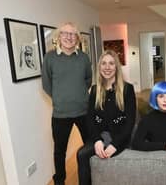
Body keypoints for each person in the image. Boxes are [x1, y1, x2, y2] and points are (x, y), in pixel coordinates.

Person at [42, 22, 92, 185]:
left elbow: (88, 80)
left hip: (84, 111)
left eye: (73, 34)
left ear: (77, 38)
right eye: (65, 33)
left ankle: (92, 176)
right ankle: (60, 181)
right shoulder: (50, 57)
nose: (69, 37)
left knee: (90, 145)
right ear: (58, 36)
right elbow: (46, 84)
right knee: (59, 151)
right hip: (60, 114)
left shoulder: (84, 58)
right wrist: (59, 98)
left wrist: (78, 95)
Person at [77, 50, 137, 185]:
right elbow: (90, 119)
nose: (107, 67)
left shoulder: (127, 89)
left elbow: (130, 122)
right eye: (103, 63)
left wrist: (115, 145)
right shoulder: (94, 89)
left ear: (116, 67)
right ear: (99, 67)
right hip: (100, 135)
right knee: (82, 154)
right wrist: (97, 140)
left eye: (111, 63)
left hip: (120, 136)